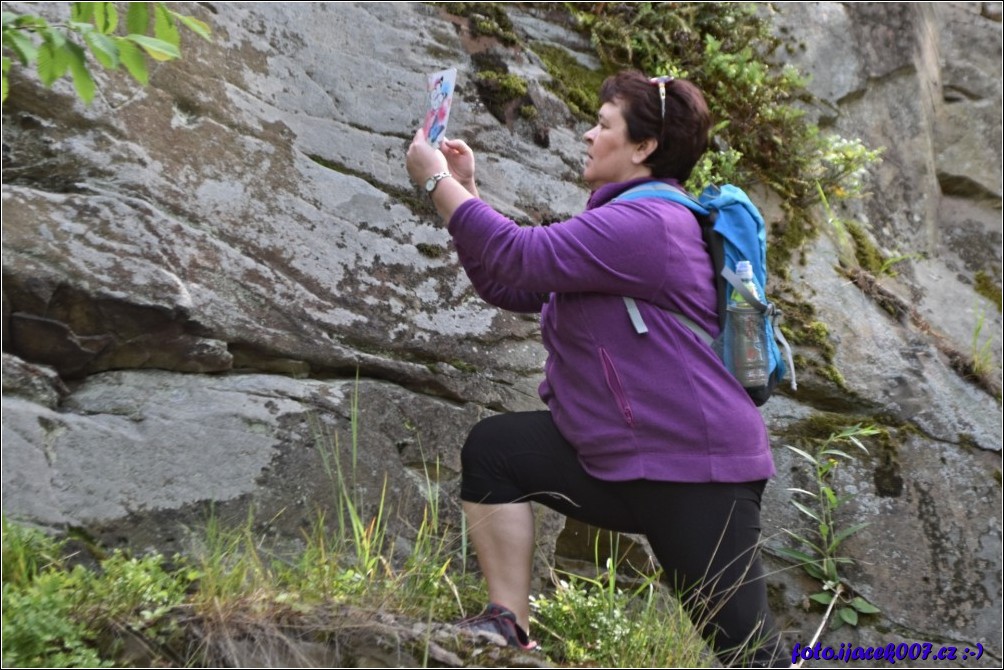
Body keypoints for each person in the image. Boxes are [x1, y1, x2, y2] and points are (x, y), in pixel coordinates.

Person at [405, 69, 782, 667]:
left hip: (694, 468)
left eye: (602, 124)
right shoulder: (616, 225)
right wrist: (467, 192)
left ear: (644, 147)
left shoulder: (649, 225)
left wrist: (438, 185)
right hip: (622, 460)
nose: (585, 135)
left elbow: (519, 256)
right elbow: (514, 283)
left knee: (748, 654)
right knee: (496, 452)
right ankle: (507, 624)